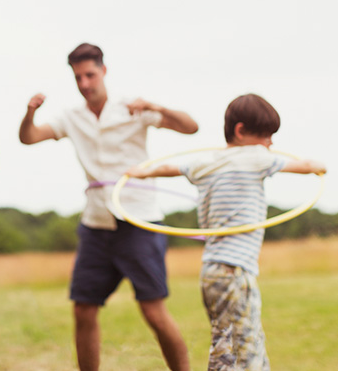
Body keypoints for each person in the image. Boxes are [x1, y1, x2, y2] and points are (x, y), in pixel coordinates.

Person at [18, 43, 196, 371]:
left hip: (139, 221)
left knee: (154, 313)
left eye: (90, 74)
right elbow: (28, 137)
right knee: (83, 310)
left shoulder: (133, 108)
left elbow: (190, 126)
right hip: (96, 225)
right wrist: (30, 112)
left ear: (103, 71)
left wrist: (154, 106)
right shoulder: (72, 118)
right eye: (78, 77)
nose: (84, 83)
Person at [126, 93, 326, 370]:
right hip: (235, 270)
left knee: (227, 344)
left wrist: (142, 173)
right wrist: (317, 167)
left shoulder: (206, 162)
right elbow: (304, 167)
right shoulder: (255, 156)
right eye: (266, 135)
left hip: (211, 271)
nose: (271, 143)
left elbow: (169, 167)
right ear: (241, 131)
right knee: (244, 348)